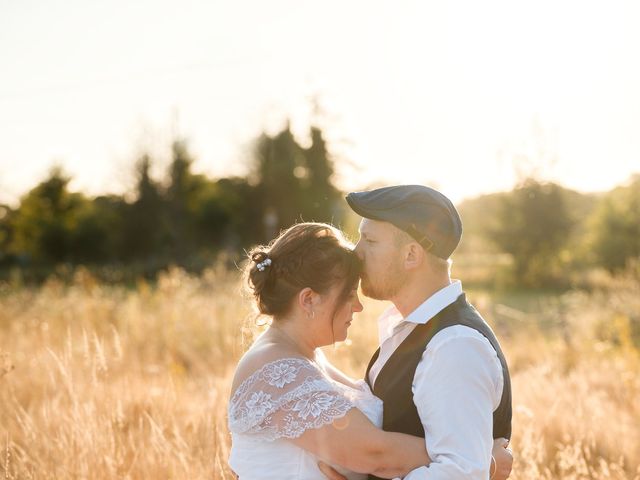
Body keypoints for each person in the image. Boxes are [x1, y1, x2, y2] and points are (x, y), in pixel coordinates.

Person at [227, 222, 512, 479]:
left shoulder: (303, 357)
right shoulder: (275, 369)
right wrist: (481, 463)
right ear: (309, 300)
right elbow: (373, 453)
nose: (358, 306)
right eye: (349, 293)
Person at [321, 185, 513, 480]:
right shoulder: (410, 328)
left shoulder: (454, 346)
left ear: (411, 255)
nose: (356, 252)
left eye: (370, 240)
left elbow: (461, 473)